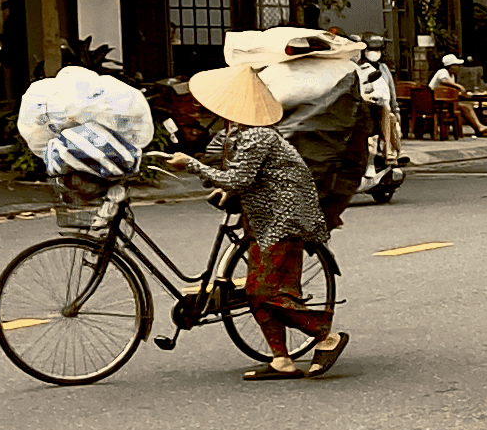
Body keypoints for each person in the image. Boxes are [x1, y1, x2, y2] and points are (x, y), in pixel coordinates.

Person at [159, 64, 350, 381]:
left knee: (260, 291)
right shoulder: (244, 135)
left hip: (282, 220)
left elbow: (239, 177)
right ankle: (281, 359)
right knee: (263, 289)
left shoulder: (258, 136)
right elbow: (245, 178)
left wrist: (189, 164)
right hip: (267, 217)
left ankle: (325, 336)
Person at [357, 36, 406, 166]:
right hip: (361, 109)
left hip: (379, 108)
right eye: (371, 49)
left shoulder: (383, 69)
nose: (374, 52)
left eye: (377, 49)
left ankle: (391, 151)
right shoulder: (358, 68)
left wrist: (396, 111)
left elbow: (390, 92)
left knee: (389, 114)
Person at [428, 53, 487, 135]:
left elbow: (450, 91)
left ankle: (478, 127)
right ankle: (479, 127)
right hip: (434, 102)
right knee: (466, 107)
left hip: (445, 102)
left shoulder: (452, 76)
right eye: (456, 65)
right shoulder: (443, 72)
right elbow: (444, 81)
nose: (458, 67)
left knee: (467, 106)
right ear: (451, 66)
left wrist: (464, 94)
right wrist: (458, 86)